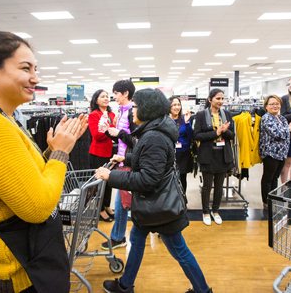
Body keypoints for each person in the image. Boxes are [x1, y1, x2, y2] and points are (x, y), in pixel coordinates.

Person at [0, 30, 88, 293]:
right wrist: (60, 154)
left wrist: (52, 151)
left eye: (35, 68)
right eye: (25, 68)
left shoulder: (1, 119)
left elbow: (20, 181)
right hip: (16, 272)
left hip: (25, 265)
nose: (35, 78)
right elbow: (37, 207)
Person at [95, 88, 212, 293]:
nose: (133, 110)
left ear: (147, 109)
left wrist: (110, 176)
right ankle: (125, 285)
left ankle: (202, 290)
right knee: (137, 239)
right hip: (154, 205)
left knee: (179, 251)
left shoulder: (154, 136)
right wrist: (127, 158)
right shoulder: (154, 132)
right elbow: (153, 161)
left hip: (159, 207)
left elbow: (148, 178)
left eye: (136, 106)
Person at [100, 79, 137, 250]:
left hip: (129, 162)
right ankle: (118, 236)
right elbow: (122, 139)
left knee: (122, 203)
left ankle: (119, 237)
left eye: (115, 93)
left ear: (125, 94)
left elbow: (137, 141)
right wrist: (110, 132)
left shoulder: (132, 113)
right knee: (121, 202)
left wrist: (119, 133)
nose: (113, 96)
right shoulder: (122, 111)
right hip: (122, 160)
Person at [193, 89, 235, 226]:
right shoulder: (200, 115)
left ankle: (215, 211)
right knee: (207, 186)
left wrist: (225, 131)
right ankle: (205, 211)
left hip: (223, 155)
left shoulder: (227, 114)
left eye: (222, 98)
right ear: (210, 99)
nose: (221, 101)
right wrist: (216, 132)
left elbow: (232, 135)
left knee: (219, 186)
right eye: (218, 98)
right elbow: (197, 136)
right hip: (207, 155)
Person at [259, 95, 291, 208]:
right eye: (272, 104)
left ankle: (272, 199)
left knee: (275, 178)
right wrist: (290, 127)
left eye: (277, 103)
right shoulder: (266, 118)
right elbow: (277, 134)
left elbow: (290, 134)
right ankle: (266, 202)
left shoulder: (282, 118)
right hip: (270, 153)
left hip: (282, 153)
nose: (275, 106)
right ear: (266, 106)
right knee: (268, 178)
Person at [88, 89, 116, 222]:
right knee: (99, 183)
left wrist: (110, 131)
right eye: (102, 96)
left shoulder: (112, 114)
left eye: (107, 96)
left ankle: (107, 205)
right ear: (96, 100)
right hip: (97, 153)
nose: (106, 98)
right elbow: (96, 135)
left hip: (109, 153)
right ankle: (100, 210)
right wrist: (110, 132)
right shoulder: (94, 115)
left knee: (110, 181)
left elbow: (116, 132)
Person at [168, 96, 193, 194]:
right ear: (169, 106)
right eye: (174, 105)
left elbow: (191, 136)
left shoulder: (184, 119)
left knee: (182, 179)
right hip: (169, 154)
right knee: (170, 179)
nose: (177, 107)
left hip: (183, 154)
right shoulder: (165, 120)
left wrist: (187, 123)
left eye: (178, 104)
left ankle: (182, 201)